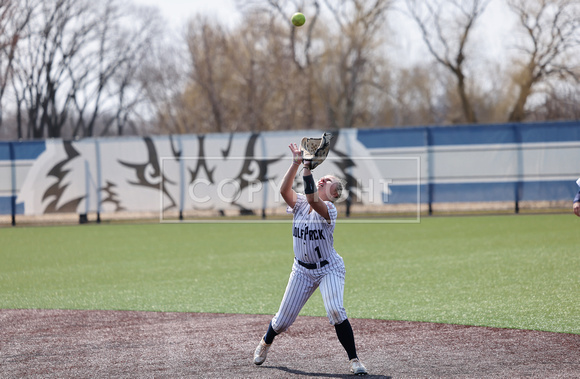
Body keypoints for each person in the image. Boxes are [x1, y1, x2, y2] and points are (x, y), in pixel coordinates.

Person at [252, 142, 368, 376]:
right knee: (282, 321)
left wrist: (308, 169)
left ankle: (354, 360)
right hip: (302, 270)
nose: (324, 180)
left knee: (336, 310)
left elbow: (314, 200)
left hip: (329, 269)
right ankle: (265, 341)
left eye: (329, 181)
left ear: (334, 194)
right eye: (323, 177)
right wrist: (296, 163)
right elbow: (284, 191)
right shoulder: (301, 204)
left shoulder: (329, 210)